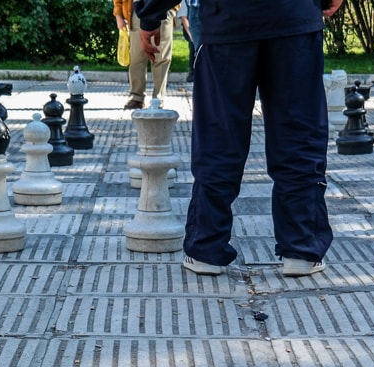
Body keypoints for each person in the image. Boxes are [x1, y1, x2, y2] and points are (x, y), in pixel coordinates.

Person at [134, 0, 345, 277]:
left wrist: (150, 15)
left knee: (219, 137)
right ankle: (302, 248)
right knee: (299, 135)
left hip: (228, 21)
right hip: (293, 18)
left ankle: (207, 248)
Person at [113, 0, 176, 110]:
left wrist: (173, 9)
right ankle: (136, 98)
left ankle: (158, 98)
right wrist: (118, 14)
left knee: (161, 57)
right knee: (136, 58)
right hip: (137, 9)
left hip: (164, 7)